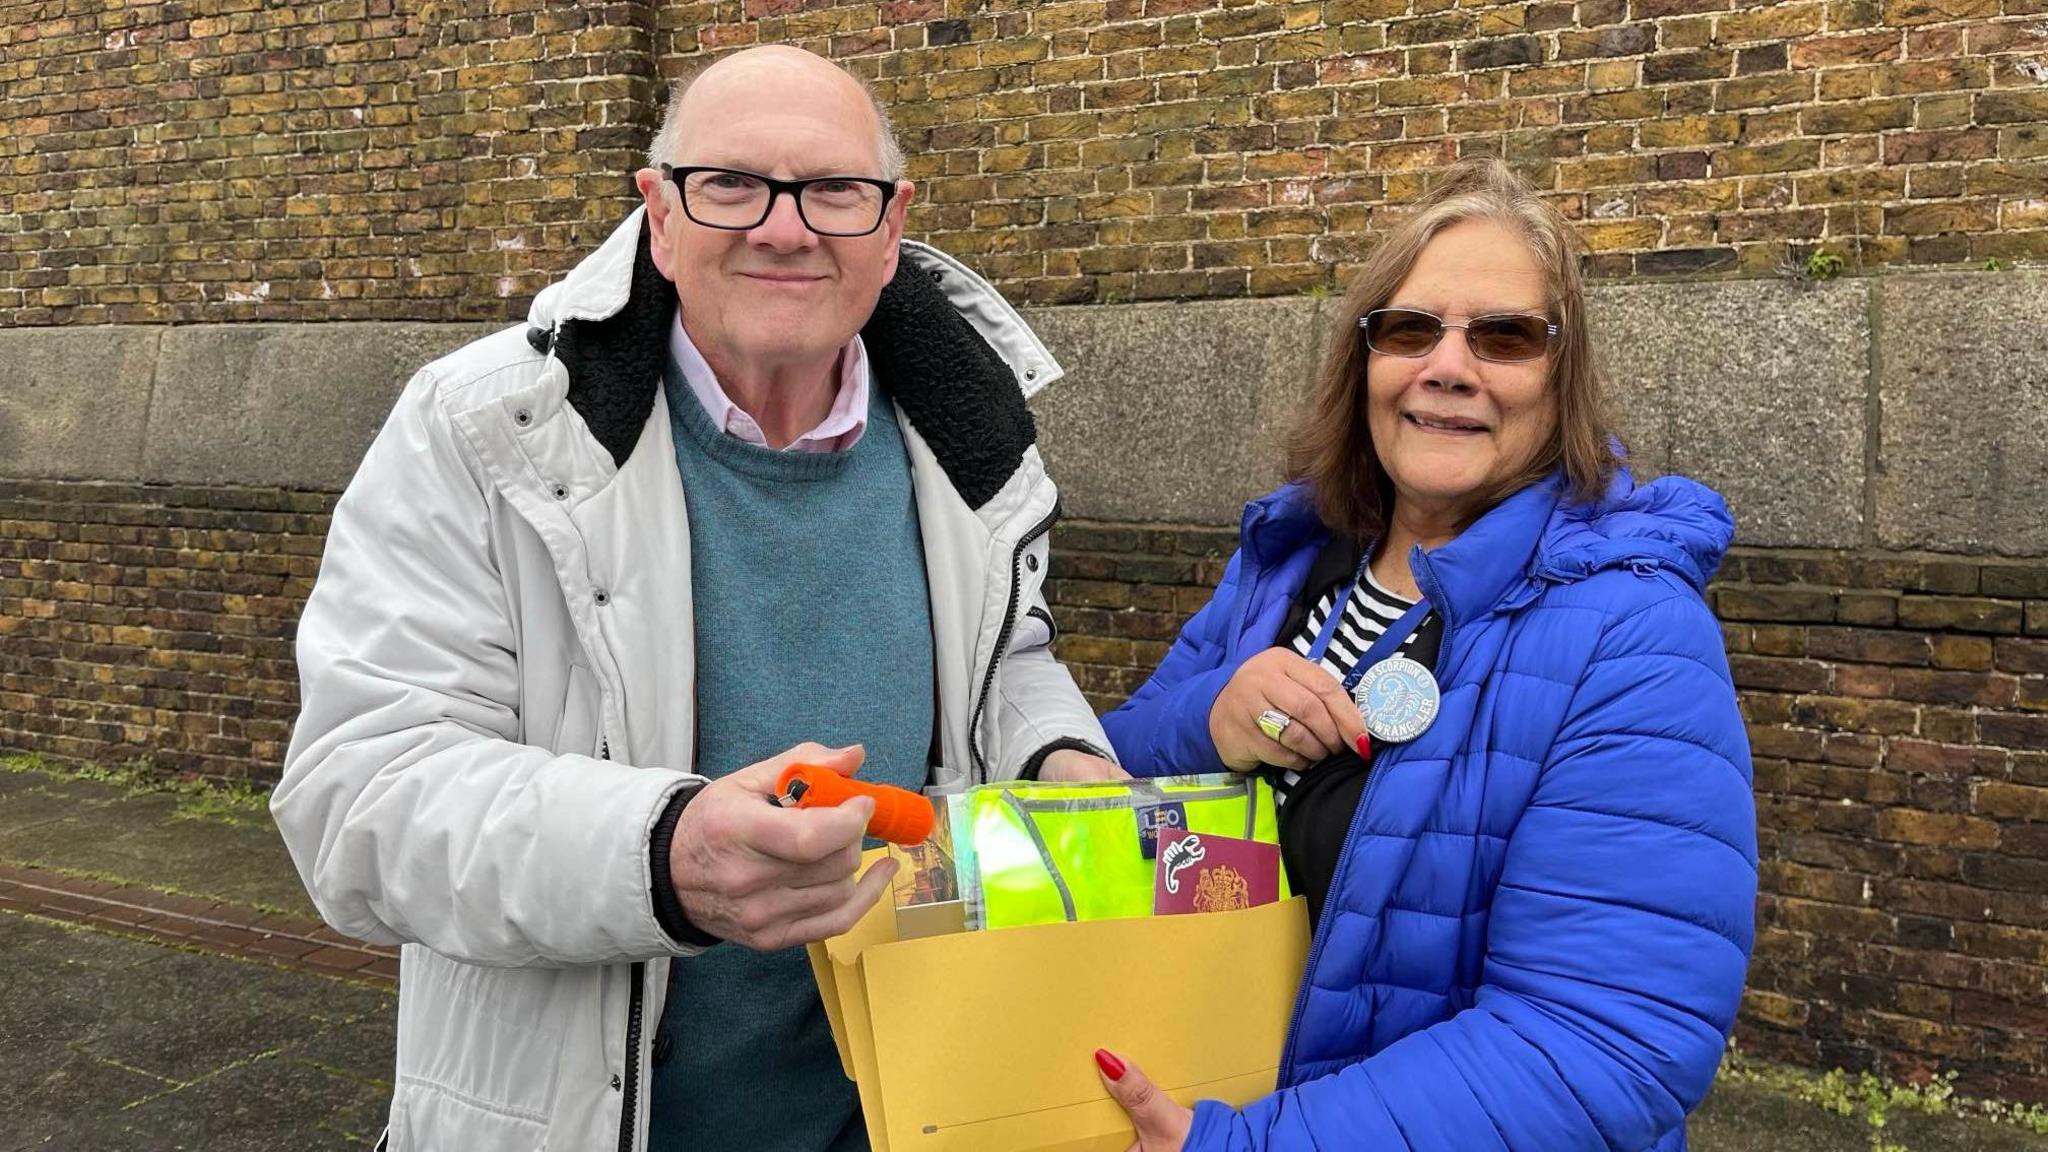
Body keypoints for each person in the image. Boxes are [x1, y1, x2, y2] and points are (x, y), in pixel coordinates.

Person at [272, 45, 1121, 1152]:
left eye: (832, 191)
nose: (784, 228)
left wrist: (1054, 756)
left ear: (892, 222)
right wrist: (662, 856)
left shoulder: (975, 441)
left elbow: (1002, 660)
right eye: (729, 184)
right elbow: (357, 800)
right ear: (658, 215)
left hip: (909, 1108)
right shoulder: (485, 431)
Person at [1089, 159, 1758, 1151]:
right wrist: (1209, 721)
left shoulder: (1629, 629)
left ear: (1558, 376)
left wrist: (1248, 1144)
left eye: (1501, 336)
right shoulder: (1290, 560)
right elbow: (1098, 777)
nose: (1447, 365)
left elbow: (1603, 1042)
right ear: (1363, 362)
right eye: (1408, 329)